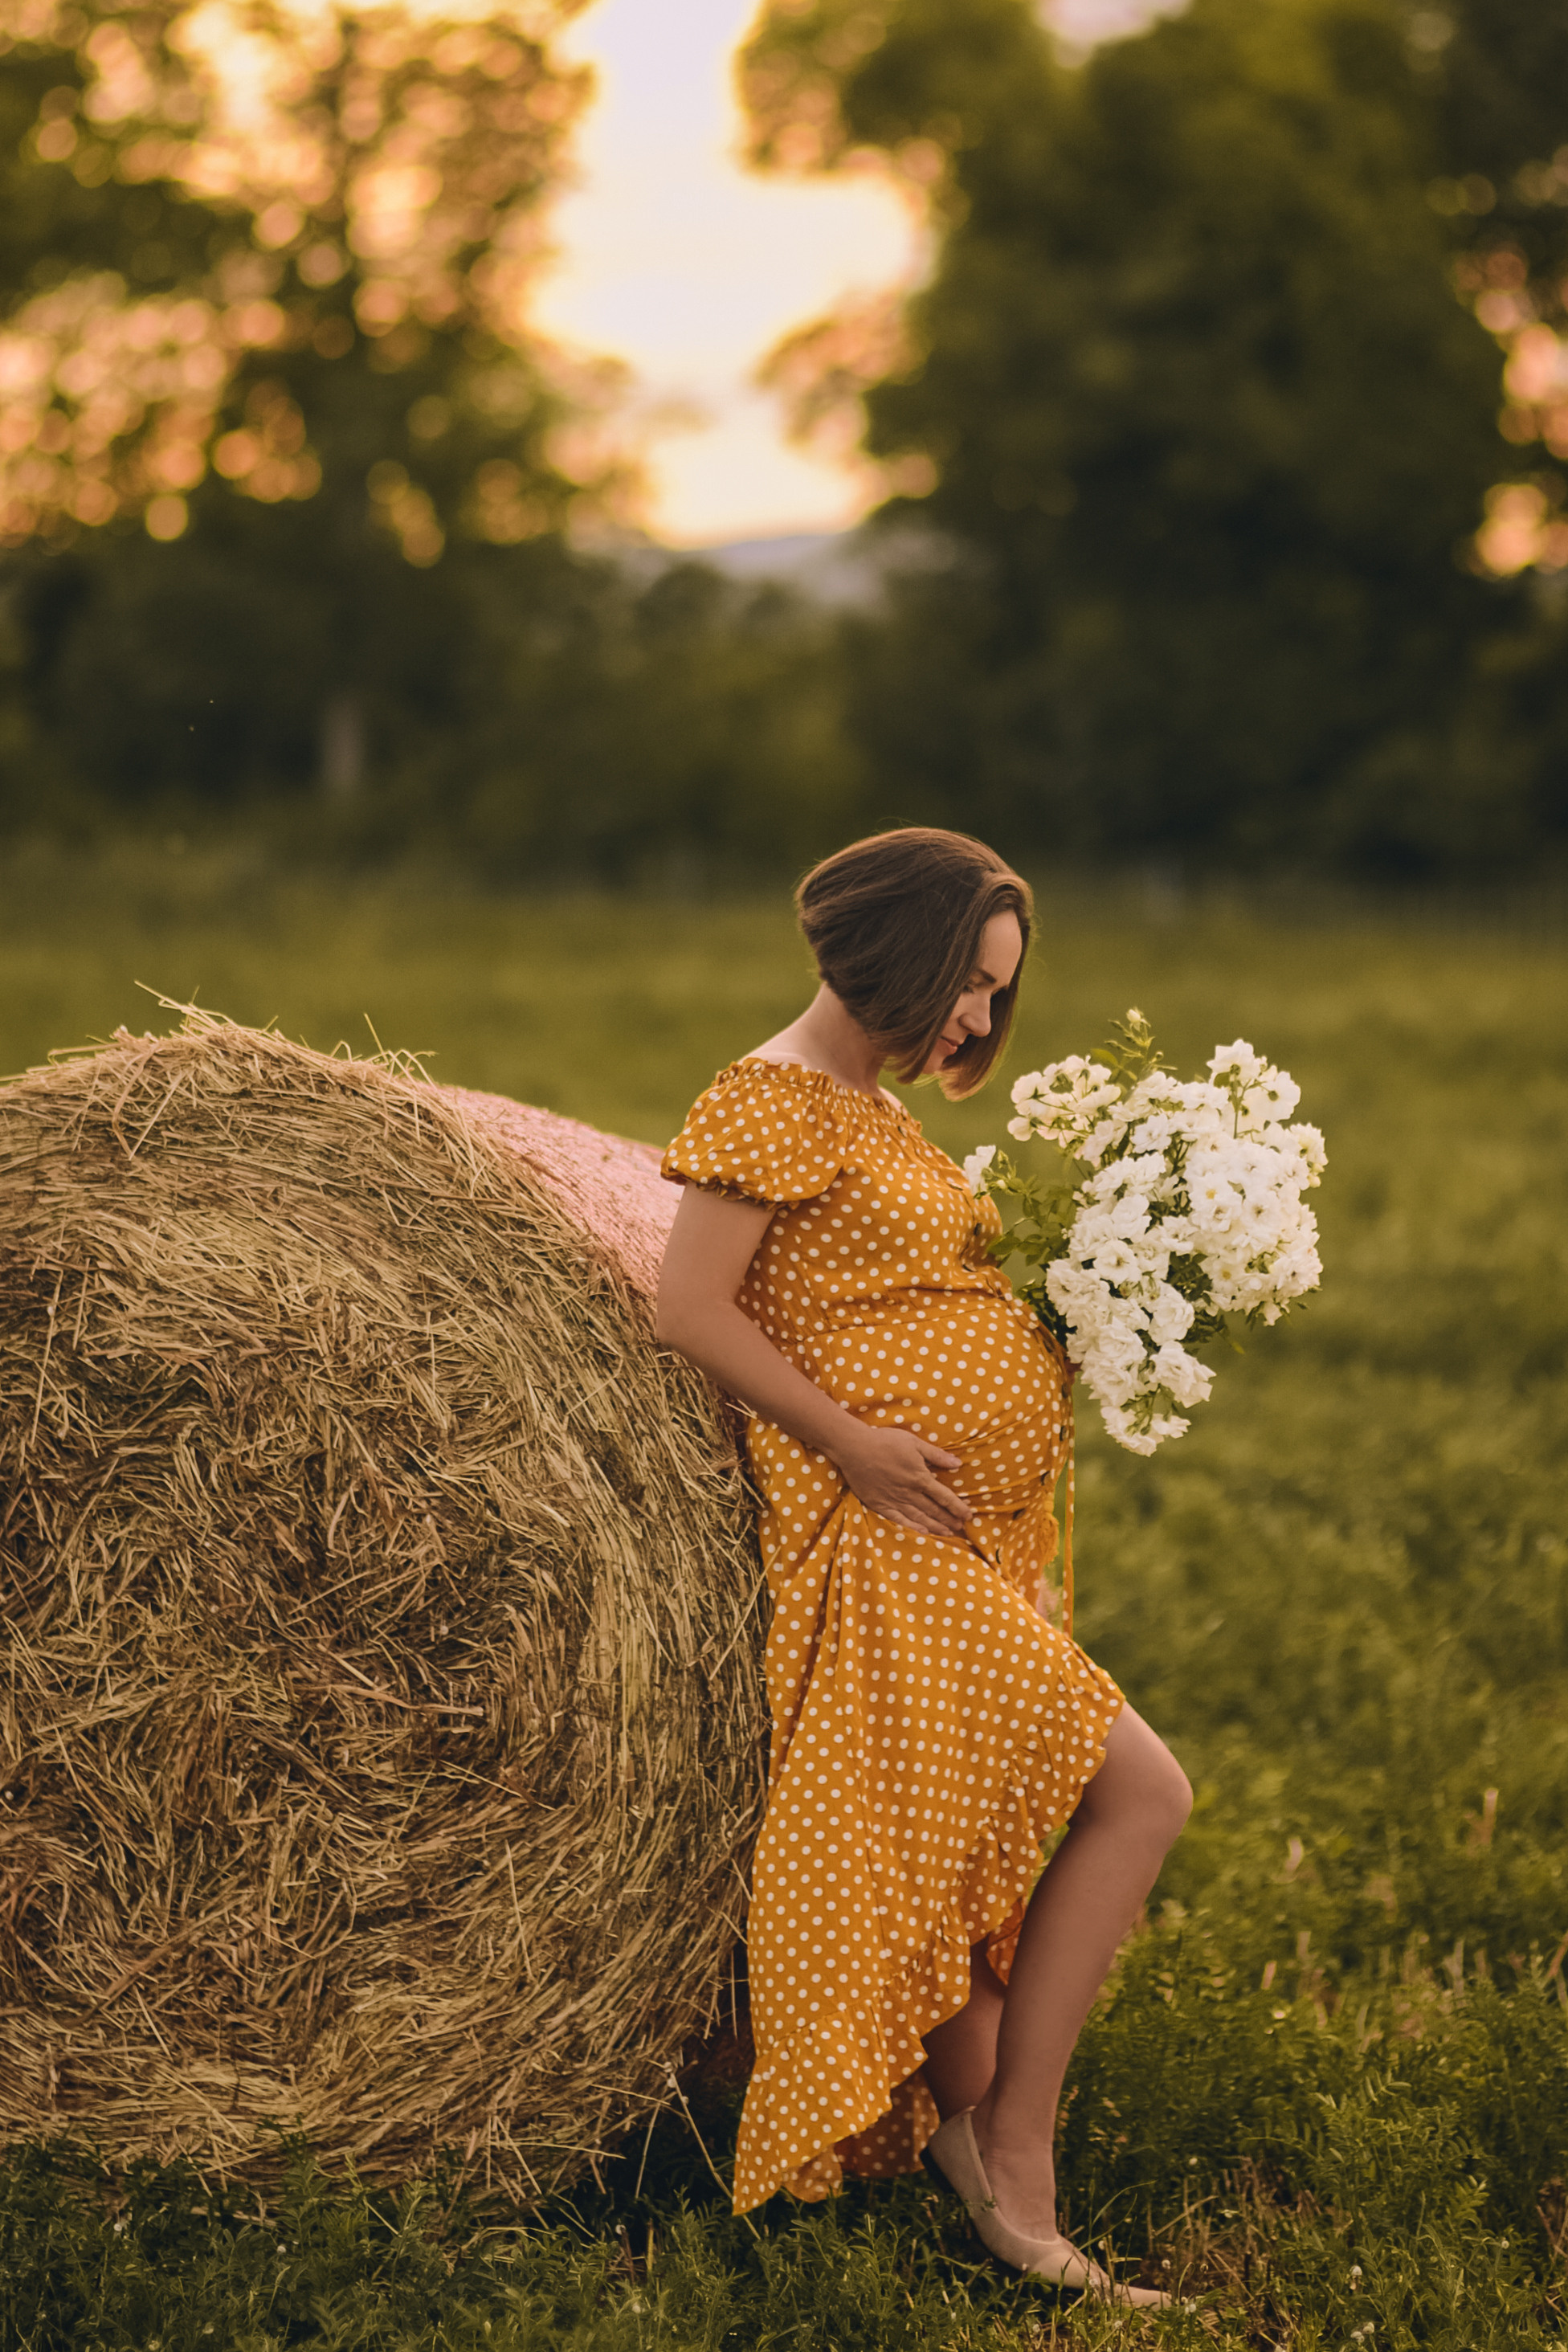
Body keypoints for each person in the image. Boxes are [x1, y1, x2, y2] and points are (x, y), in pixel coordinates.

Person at [655, 828, 1191, 2302]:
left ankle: (987, 2170)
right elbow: (689, 1307)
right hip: (880, 1545)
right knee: (1147, 1792)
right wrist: (860, 1447)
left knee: (958, 1868)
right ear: (898, 948)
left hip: (952, 1540)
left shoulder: (870, 1110)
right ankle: (1019, 2154)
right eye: (970, 983)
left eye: (995, 995)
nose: (978, 1021)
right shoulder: (768, 1097)